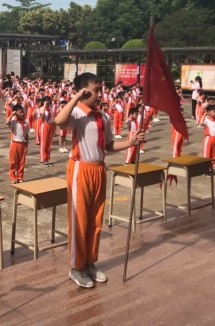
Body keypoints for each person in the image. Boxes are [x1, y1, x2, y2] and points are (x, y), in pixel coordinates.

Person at [54, 73, 144, 289]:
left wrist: (131, 142)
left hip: (99, 169)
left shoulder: (102, 116)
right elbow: (59, 121)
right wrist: (76, 97)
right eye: (95, 91)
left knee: (95, 220)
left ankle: (90, 263)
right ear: (83, 91)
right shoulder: (76, 112)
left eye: (101, 90)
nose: (100, 94)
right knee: (79, 220)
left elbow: (108, 145)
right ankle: (76, 267)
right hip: (80, 169)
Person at [6, 104, 29, 184]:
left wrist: (26, 145)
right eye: (20, 112)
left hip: (23, 144)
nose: (22, 114)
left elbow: (26, 135)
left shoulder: (26, 123)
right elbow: (7, 122)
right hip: (15, 144)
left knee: (21, 162)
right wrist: (12, 114)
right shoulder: (14, 122)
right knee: (13, 162)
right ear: (16, 113)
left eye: (23, 112)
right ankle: (13, 178)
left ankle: (20, 177)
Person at [201, 104, 215, 176]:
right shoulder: (207, 119)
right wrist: (204, 115)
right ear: (209, 112)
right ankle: (206, 170)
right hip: (208, 139)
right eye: (214, 111)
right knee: (207, 155)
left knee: (214, 155)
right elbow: (201, 123)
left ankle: (211, 169)